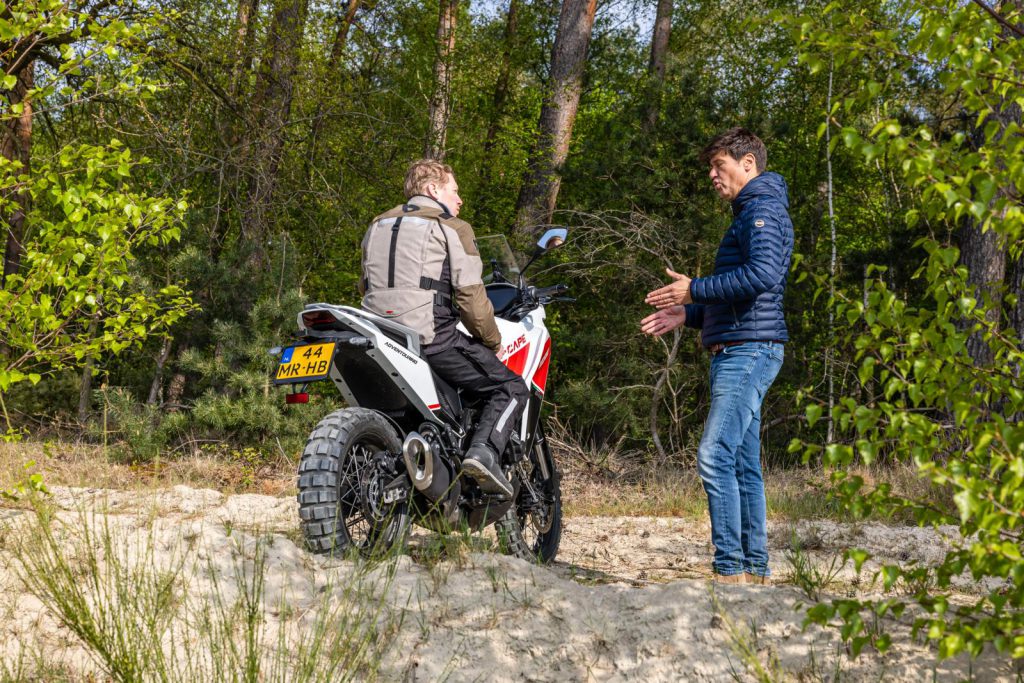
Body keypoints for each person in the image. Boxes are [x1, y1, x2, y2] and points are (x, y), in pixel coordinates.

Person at [641, 128, 793, 584]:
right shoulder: (751, 211)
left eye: (719, 165)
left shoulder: (762, 211)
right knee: (744, 464)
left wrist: (695, 288)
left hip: (749, 350)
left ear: (748, 163)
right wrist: (688, 314)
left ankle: (729, 570)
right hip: (742, 344)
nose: (712, 175)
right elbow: (740, 294)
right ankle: (754, 570)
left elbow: (762, 276)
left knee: (713, 454)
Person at [359, 159, 527, 496]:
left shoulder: (376, 225)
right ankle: (483, 454)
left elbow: (365, 286)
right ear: (433, 190)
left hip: (377, 336)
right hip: (432, 339)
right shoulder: (451, 226)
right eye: (455, 190)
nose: (460, 199)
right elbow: (470, 296)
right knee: (510, 388)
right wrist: (490, 339)